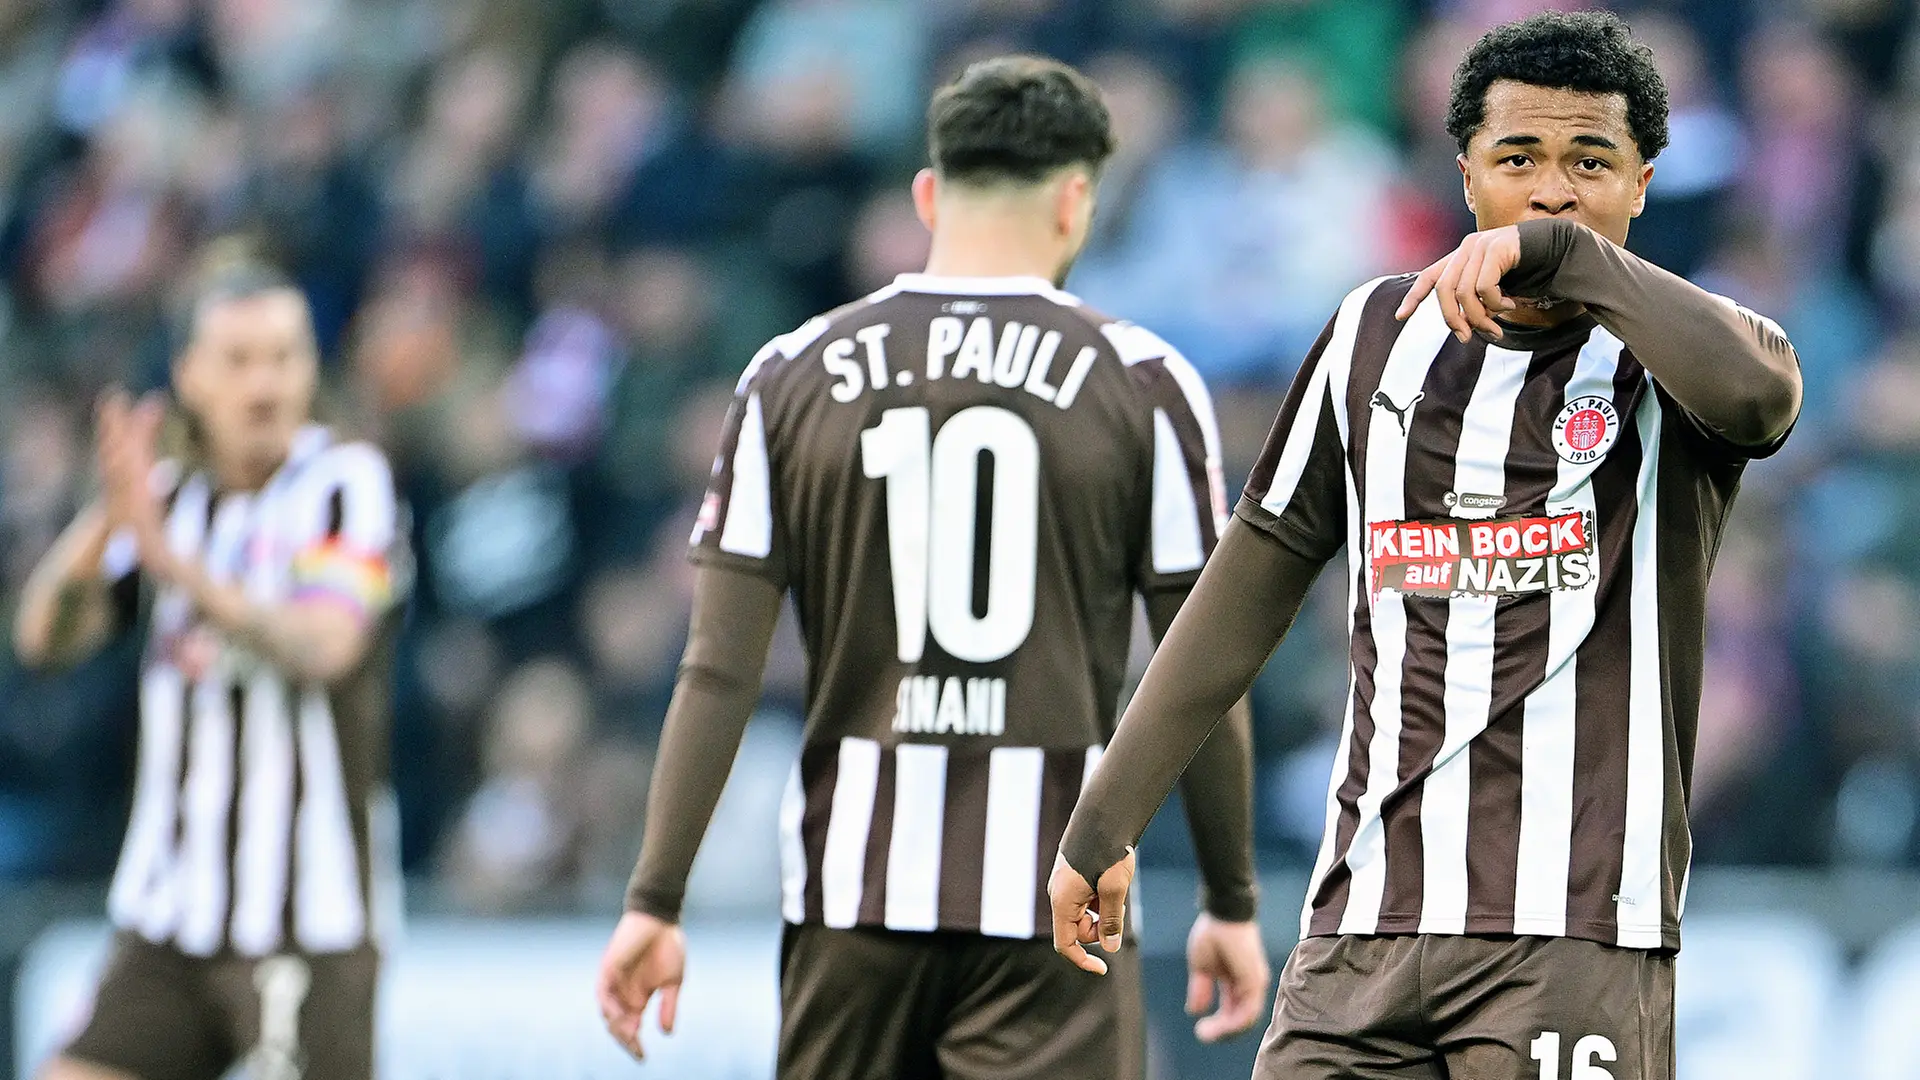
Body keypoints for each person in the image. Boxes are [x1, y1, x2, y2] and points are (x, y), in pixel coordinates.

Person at [1048, 11, 1802, 1080]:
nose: (1553, 190)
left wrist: (1566, 257)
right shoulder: (1372, 334)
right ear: (1465, 175)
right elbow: (1242, 595)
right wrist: (1103, 822)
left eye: (1590, 162)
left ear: (1642, 184)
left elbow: (1763, 400)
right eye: (1518, 159)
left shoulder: (1674, 356)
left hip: (1569, 933)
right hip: (1360, 927)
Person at [595, 54, 1271, 1079]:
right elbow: (1200, 671)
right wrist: (1230, 898)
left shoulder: (789, 374)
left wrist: (655, 899)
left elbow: (718, 667)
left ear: (927, 196)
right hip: (1059, 901)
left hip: (851, 897)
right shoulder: (1142, 381)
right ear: (1076, 202)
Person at [16, 252, 406, 1080]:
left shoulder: (346, 485)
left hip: (309, 922)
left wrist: (179, 570)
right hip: (170, 917)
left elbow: (326, 645)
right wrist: (106, 518)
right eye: (238, 361)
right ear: (189, 376)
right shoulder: (167, 500)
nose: (264, 385)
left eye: (284, 357)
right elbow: (46, 638)